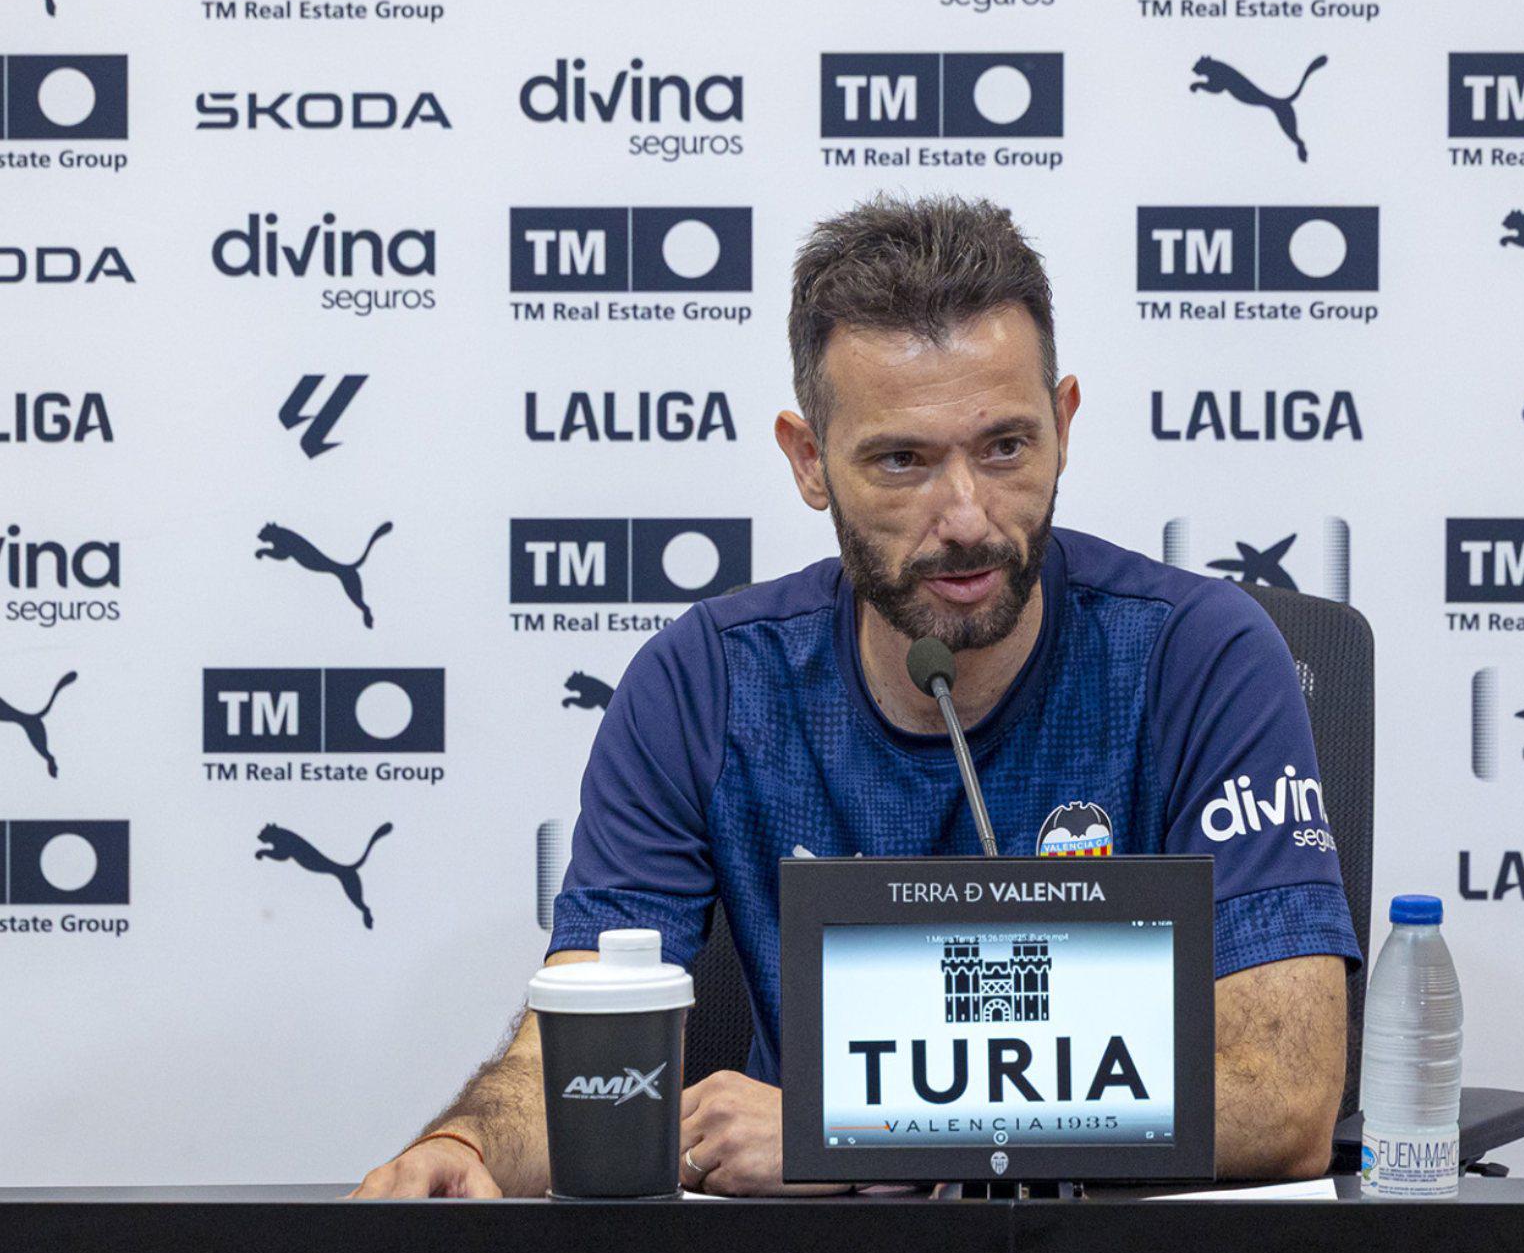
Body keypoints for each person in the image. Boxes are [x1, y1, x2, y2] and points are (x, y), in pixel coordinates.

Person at [352, 194, 1361, 1199]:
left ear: (1063, 425)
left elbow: (1285, 1096)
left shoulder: (1201, 656)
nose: (966, 518)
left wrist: (845, 1126)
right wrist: (470, 1146)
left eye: (1006, 448)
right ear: (809, 461)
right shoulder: (705, 683)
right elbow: (586, 1058)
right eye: (901, 461)